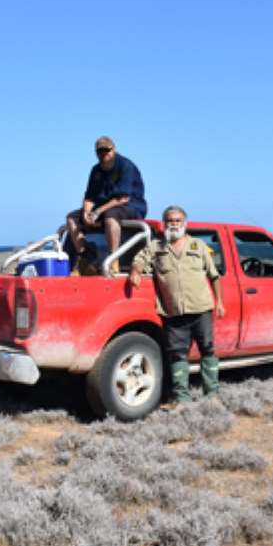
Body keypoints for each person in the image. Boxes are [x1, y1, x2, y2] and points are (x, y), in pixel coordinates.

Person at [128, 205, 225, 403]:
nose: (174, 224)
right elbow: (140, 260)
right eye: (170, 221)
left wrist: (220, 302)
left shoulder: (198, 246)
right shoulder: (156, 247)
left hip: (201, 309)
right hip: (173, 313)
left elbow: (214, 276)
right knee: (178, 356)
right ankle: (182, 398)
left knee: (208, 350)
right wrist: (135, 272)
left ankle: (212, 395)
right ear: (164, 224)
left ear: (185, 223)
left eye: (178, 220)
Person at [66, 136, 147, 273]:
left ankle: (113, 258)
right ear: (96, 153)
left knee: (110, 216)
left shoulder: (126, 166)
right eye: (100, 151)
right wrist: (86, 213)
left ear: (113, 149)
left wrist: (97, 212)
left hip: (130, 206)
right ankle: (85, 255)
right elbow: (90, 196)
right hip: (103, 207)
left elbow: (123, 198)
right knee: (72, 218)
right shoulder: (96, 170)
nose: (104, 154)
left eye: (107, 150)